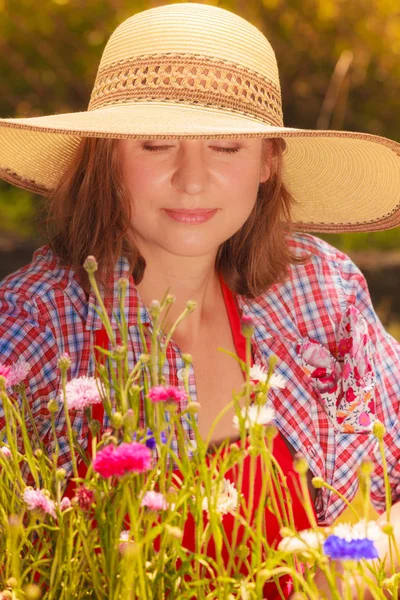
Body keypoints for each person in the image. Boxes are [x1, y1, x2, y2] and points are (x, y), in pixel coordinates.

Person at [1, 2, 400, 596]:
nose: (192, 179)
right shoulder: (35, 321)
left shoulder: (323, 290)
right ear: (106, 157)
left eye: (227, 148)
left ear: (269, 160)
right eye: (156, 145)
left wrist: (348, 563)